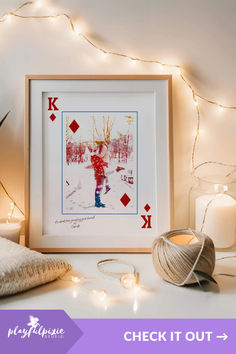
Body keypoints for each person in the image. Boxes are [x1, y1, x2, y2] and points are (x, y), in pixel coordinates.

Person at [91, 141, 111, 208]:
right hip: (99, 173)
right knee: (99, 187)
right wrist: (103, 163)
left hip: (101, 172)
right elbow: (97, 164)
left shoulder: (97, 157)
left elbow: (100, 163)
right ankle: (97, 202)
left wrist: (104, 164)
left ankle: (98, 201)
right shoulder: (95, 156)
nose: (103, 153)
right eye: (102, 150)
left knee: (100, 187)